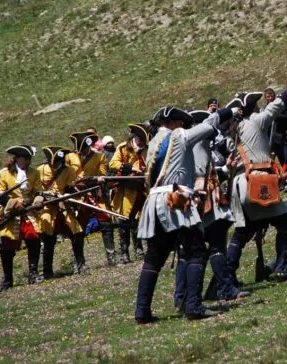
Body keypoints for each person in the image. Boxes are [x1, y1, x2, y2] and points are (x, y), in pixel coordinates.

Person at [135, 105, 234, 323]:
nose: (183, 127)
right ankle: (193, 306)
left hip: (155, 201)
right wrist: (231, 110)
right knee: (196, 251)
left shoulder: (153, 143)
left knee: (154, 258)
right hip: (175, 200)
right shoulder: (178, 136)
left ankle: (142, 311)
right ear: (174, 123)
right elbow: (208, 125)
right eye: (181, 123)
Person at [225, 72, 287, 294]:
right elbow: (278, 106)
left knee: (242, 233)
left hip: (240, 185)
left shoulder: (232, 132)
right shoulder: (254, 121)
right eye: (256, 104)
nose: (260, 107)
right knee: (285, 223)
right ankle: (282, 266)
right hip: (256, 182)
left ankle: (228, 276)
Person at [190, 111, 250, 303]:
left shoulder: (200, 145)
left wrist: (224, 169)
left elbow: (209, 173)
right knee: (208, 247)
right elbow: (201, 176)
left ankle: (197, 294)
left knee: (210, 247)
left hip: (205, 197)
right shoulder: (197, 142)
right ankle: (222, 289)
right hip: (202, 200)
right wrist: (232, 110)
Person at [0, 145, 44, 287]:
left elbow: (38, 191)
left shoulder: (34, 173)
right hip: (10, 214)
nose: (28, 161)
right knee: (7, 246)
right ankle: (8, 279)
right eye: (25, 158)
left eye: (29, 158)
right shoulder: (4, 173)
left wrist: (38, 200)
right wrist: (14, 203)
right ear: (17, 158)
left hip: (28, 211)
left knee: (33, 238)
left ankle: (33, 273)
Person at [37, 146, 85, 278]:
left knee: (77, 231)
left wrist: (69, 195)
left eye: (58, 161)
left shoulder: (68, 170)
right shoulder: (41, 170)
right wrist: (49, 195)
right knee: (48, 237)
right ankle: (47, 271)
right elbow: (37, 190)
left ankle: (80, 264)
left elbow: (70, 187)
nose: (56, 165)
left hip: (63, 205)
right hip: (47, 207)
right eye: (54, 162)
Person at [67, 131, 111, 267]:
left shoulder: (100, 156)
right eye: (82, 149)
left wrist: (98, 179)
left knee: (105, 222)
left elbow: (103, 174)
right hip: (77, 194)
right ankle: (79, 261)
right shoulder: (69, 157)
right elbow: (65, 174)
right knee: (78, 228)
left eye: (86, 148)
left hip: (94, 192)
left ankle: (111, 256)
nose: (84, 151)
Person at [108, 124, 149, 265]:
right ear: (136, 137)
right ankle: (124, 253)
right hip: (127, 190)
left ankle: (139, 250)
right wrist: (131, 168)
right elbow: (113, 164)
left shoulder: (146, 149)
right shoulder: (123, 147)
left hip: (142, 188)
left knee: (139, 220)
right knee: (125, 221)